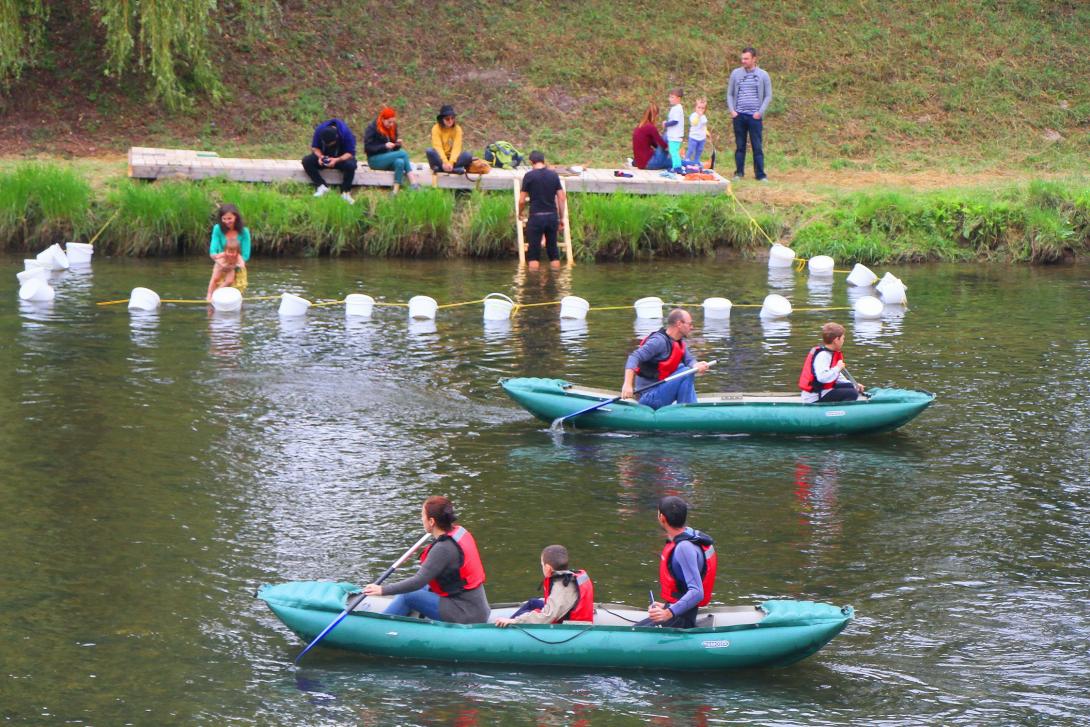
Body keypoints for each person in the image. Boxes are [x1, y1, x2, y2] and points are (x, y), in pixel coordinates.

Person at [362, 496, 489, 624]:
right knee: (426, 587)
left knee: (408, 595)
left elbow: (418, 581)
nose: (422, 520)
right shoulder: (458, 532)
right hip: (475, 607)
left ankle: (378, 626)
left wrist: (382, 590)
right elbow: (443, 565)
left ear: (431, 521)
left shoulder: (443, 548)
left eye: (423, 516)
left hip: (465, 613)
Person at [640, 496, 717, 629]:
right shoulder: (689, 535)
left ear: (662, 518)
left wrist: (668, 613)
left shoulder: (684, 548)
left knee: (632, 638)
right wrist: (666, 606)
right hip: (679, 611)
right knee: (635, 629)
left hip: (681, 619)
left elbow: (697, 592)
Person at [621, 308, 711, 410]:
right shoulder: (658, 341)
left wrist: (697, 366)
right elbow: (634, 357)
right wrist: (627, 384)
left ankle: (688, 407)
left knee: (685, 368)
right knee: (686, 372)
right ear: (679, 324)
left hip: (660, 392)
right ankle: (688, 411)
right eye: (690, 324)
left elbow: (690, 361)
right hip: (648, 397)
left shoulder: (679, 342)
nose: (692, 327)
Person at [494, 545, 595, 627]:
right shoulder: (569, 578)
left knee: (525, 617)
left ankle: (509, 626)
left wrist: (517, 621)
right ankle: (507, 622)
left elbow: (546, 616)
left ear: (547, 568)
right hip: (564, 613)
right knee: (533, 603)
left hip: (570, 627)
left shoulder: (561, 587)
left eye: (542, 564)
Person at [726, 47, 772, 181]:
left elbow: (768, 96)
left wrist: (760, 112)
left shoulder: (763, 75)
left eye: (746, 58)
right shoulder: (735, 74)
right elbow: (730, 93)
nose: (743, 61)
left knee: (757, 146)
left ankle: (760, 175)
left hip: (754, 117)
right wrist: (732, 111)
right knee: (740, 146)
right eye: (742, 58)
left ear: (754, 59)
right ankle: (739, 173)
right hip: (739, 115)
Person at [518, 150, 566, 271]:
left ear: (531, 162)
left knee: (534, 254)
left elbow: (522, 201)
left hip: (536, 217)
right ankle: (555, 279)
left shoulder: (529, 176)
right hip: (551, 217)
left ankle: (534, 285)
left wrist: (520, 213)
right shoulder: (553, 175)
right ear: (544, 161)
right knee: (553, 251)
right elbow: (561, 197)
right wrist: (561, 218)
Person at [799, 322, 866, 403]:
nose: (843, 341)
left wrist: (855, 385)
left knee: (851, 387)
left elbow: (836, 377)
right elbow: (822, 378)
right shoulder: (823, 355)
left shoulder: (831, 353)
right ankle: (837, 413)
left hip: (823, 391)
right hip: (815, 397)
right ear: (836, 340)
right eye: (842, 338)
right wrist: (837, 368)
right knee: (852, 393)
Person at [363, 106, 419, 194]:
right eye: (389, 122)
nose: (391, 124)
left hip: (388, 158)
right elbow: (367, 148)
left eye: (393, 122)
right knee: (403, 153)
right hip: (375, 160)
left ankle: (395, 192)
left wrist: (397, 144)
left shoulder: (392, 127)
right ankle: (414, 183)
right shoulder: (372, 128)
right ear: (382, 119)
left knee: (400, 162)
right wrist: (384, 146)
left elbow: (393, 147)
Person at [302, 118, 358, 203]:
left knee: (351, 165)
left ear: (337, 138)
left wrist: (337, 160)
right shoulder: (319, 130)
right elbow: (315, 147)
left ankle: (345, 192)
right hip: (324, 156)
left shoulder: (346, 133)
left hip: (341, 157)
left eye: (330, 144)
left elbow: (350, 153)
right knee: (306, 161)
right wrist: (320, 156)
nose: (328, 145)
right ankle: (322, 186)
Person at [207, 204, 251, 296]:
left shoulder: (244, 231)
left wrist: (233, 266)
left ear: (235, 217)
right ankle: (210, 296)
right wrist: (221, 263)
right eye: (224, 219)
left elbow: (245, 255)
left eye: (229, 218)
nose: (227, 221)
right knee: (215, 295)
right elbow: (213, 251)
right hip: (221, 264)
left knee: (235, 296)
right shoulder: (217, 229)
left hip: (237, 267)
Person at [426, 105, 473, 174]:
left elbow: (457, 148)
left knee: (468, 155)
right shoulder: (435, 128)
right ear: (442, 119)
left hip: (453, 160)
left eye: (452, 118)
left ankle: (441, 169)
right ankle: (454, 170)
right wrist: (445, 162)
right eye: (447, 119)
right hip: (440, 159)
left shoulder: (458, 129)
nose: (450, 121)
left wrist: (451, 162)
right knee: (429, 151)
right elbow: (437, 147)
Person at [631, 102, 671, 170]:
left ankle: (690, 163)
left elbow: (656, 144)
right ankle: (693, 164)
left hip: (640, 163)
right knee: (667, 135)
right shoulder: (650, 127)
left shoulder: (640, 126)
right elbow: (663, 145)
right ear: (655, 115)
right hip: (649, 163)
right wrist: (672, 150)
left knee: (672, 162)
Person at [663, 88, 686, 172]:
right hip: (673, 135)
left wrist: (666, 124)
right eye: (670, 97)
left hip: (675, 135)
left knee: (673, 151)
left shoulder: (677, 108)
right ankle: (676, 165)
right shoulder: (676, 108)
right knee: (674, 151)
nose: (670, 99)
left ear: (678, 99)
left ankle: (677, 167)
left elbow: (675, 121)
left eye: (672, 97)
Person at [685, 98, 710, 165]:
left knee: (699, 150)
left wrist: (706, 132)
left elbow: (704, 124)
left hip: (702, 137)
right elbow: (694, 123)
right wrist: (698, 116)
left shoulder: (704, 117)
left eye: (702, 108)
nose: (700, 109)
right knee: (691, 149)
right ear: (695, 108)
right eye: (699, 107)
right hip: (693, 137)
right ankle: (687, 159)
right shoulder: (693, 115)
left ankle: (696, 160)